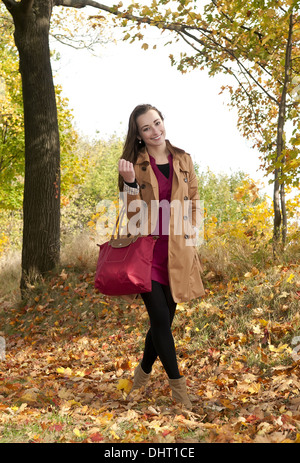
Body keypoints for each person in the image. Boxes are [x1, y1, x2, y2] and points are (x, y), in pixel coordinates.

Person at [118, 104, 205, 409]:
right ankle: (181, 394)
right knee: (159, 318)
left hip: (178, 252)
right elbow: (131, 217)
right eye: (147, 128)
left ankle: (142, 373)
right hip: (146, 253)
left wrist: (192, 236)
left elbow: (194, 200)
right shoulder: (133, 165)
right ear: (139, 136)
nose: (155, 131)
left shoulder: (183, 159)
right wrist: (128, 184)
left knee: (164, 322)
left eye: (157, 123)